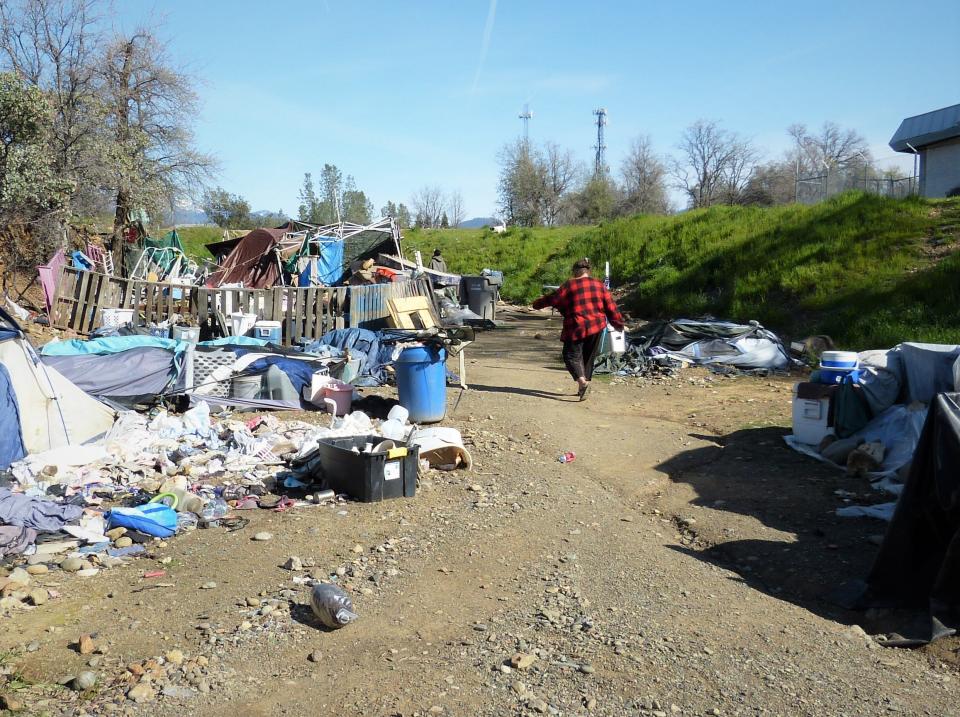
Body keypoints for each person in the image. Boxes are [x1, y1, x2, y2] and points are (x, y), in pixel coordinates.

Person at [532, 257, 625, 400]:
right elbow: (611, 307)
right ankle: (583, 388)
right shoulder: (599, 285)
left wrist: (537, 304)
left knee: (571, 355)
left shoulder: (570, 285)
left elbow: (554, 299)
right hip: (596, 326)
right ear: (588, 271)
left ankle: (582, 382)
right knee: (587, 358)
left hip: (576, 326)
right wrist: (618, 324)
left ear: (576, 271)